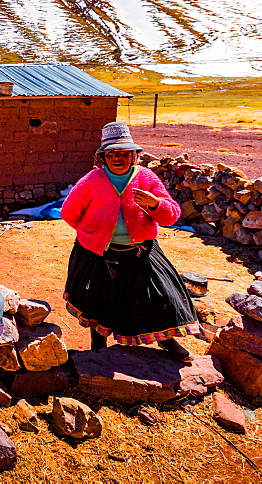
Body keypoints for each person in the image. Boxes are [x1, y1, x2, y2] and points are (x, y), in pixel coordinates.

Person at [60, 121, 200, 359]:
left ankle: (166, 340)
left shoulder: (146, 178)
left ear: (134, 155)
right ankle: (98, 343)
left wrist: (154, 204)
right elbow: (69, 213)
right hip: (98, 253)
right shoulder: (92, 181)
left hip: (141, 251)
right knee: (98, 299)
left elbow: (172, 214)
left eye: (124, 153)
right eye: (111, 153)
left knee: (159, 297)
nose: (118, 158)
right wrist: (94, 235)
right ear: (103, 157)